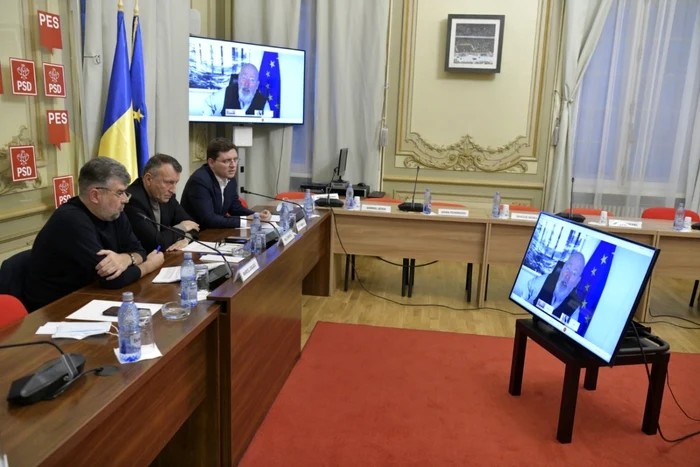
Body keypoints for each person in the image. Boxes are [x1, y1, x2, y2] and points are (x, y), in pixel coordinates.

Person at [25, 157, 164, 311]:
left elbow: (139, 250)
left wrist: (125, 258)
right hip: (55, 309)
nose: (126, 199)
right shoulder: (71, 220)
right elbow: (113, 280)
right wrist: (149, 265)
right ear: (95, 195)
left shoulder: (114, 212)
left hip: (91, 295)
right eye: (120, 192)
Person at [181, 137, 271, 229]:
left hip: (216, 232)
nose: (233, 165)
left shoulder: (229, 178)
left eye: (235, 159)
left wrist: (257, 216)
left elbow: (235, 208)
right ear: (211, 162)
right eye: (227, 161)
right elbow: (209, 219)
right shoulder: (200, 181)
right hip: (197, 236)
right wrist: (246, 221)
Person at [124, 153, 199, 252]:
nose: (173, 190)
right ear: (148, 179)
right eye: (169, 182)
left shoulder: (166, 196)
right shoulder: (132, 200)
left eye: (175, 183)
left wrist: (186, 239)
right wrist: (183, 227)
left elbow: (192, 224)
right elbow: (155, 243)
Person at [521, 251, 586, 321]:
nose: (567, 276)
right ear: (563, 268)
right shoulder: (545, 280)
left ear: (577, 281)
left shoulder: (574, 308)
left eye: (574, 273)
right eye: (568, 268)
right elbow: (527, 288)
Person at [203, 63, 271, 117]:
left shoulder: (264, 103)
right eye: (244, 78)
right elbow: (208, 103)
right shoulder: (226, 93)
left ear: (257, 85)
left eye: (252, 80)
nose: (247, 84)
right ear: (238, 79)